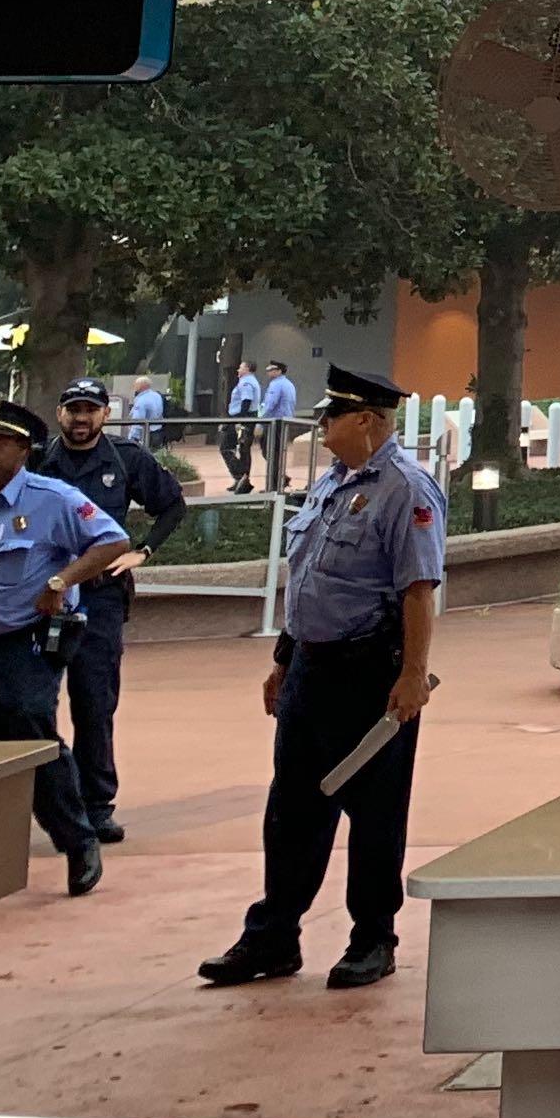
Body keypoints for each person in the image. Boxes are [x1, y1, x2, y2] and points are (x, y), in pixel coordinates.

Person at [199, 365, 446, 990]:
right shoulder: (330, 485)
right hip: (311, 667)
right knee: (291, 810)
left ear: (367, 420)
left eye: (331, 416)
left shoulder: (406, 490)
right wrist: (283, 660)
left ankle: (373, 939)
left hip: (370, 672)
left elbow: (419, 592)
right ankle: (274, 936)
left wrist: (413, 674)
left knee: (375, 814)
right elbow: (308, 580)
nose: (322, 426)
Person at [0, 399, 131, 895]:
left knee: (27, 725)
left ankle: (77, 840)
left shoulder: (51, 497)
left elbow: (113, 540)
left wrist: (62, 579)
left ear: (22, 448)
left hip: (31, 637)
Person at [37, 375, 188, 842]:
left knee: (94, 701)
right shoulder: (40, 460)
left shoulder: (126, 459)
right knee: (30, 702)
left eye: (90, 410)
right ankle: (44, 800)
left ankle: (96, 806)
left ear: (105, 414)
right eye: (73, 409)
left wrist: (144, 551)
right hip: (44, 597)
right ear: (60, 413)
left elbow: (172, 505)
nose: (81, 419)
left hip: (99, 596)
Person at [256, 356, 302, 493]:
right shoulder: (289, 384)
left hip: (274, 422)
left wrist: (260, 422)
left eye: (271, 369)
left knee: (270, 452)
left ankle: (274, 484)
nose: (268, 372)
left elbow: (270, 405)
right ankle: (280, 479)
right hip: (285, 422)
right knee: (276, 453)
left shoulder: (276, 385)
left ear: (279, 371)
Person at [223, 359, 262, 490]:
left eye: (241, 368)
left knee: (226, 448)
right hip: (245, 417)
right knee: (244, 450)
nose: (238, 370)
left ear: (247, 369)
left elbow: (246, 401)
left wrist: (239, 421)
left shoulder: (246, 382)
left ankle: (240, 475)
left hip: (241, 418)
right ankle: (242, 480)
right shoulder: (250, 381)